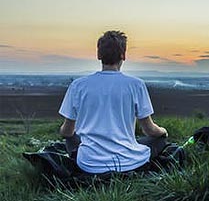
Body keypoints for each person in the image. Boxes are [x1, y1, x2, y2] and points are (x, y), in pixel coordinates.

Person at [58, 30, 168, 174]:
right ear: (123, 55)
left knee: (70, 138)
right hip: (129, 163)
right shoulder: (136, 85)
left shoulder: (78, 86)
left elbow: (66, 131)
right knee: (159, 140)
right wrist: (163, 131)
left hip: (89, 164)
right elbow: (149, 130)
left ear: (99, 55)